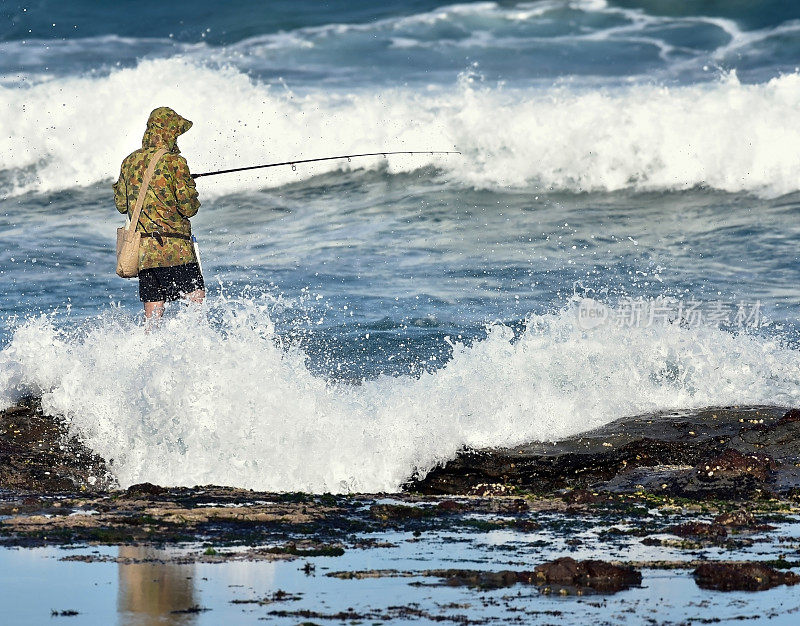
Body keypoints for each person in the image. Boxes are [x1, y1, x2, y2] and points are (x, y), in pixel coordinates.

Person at [113, 106, 205, 321]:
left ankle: (148, 351)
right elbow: (189, 208)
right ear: (170, 132)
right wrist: (189, 185)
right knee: (195, 303)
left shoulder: (129, 162)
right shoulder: (175, 163)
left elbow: (121, 205)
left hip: (144, 252)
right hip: (174, 250)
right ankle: (198, 349)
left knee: (152, 316)